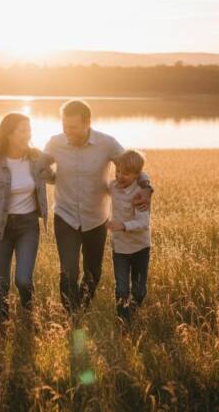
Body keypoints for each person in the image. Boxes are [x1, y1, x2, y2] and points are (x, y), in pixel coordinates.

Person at [43, 99, 153, 313]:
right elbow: (41, 166)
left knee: (93, 271)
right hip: (64, 216)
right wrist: (51, 176)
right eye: (64, 125)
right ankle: (72, 316)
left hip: (96, 218)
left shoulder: (107, 143)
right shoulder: (55, 142)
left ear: (87, 123)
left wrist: (147, 186)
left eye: (73, 127)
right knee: (68, 271)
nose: (67, 131)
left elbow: (133, 165)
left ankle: (82, 307)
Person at [0, 113, 53, 323]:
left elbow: (55, 176)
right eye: (23, 130)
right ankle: (2, 324)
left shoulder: (37, 158)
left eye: (29, 130)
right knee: (1, 283)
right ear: (9, 134)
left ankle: (29, 319)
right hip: (0, 227)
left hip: (28, 226)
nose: (28, 134)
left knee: (24, 280)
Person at [106, 150, 151, 323]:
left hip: (140, 248)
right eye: (117, 171)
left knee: (139, 291)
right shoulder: (113, 187)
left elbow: (143, 223)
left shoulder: (141, 193)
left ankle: (131, 312)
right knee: (122, 289)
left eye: (125, 173)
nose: (120, 176)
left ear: (137, 175)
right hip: (120, 249)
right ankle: (123, 323)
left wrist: (122, 226)